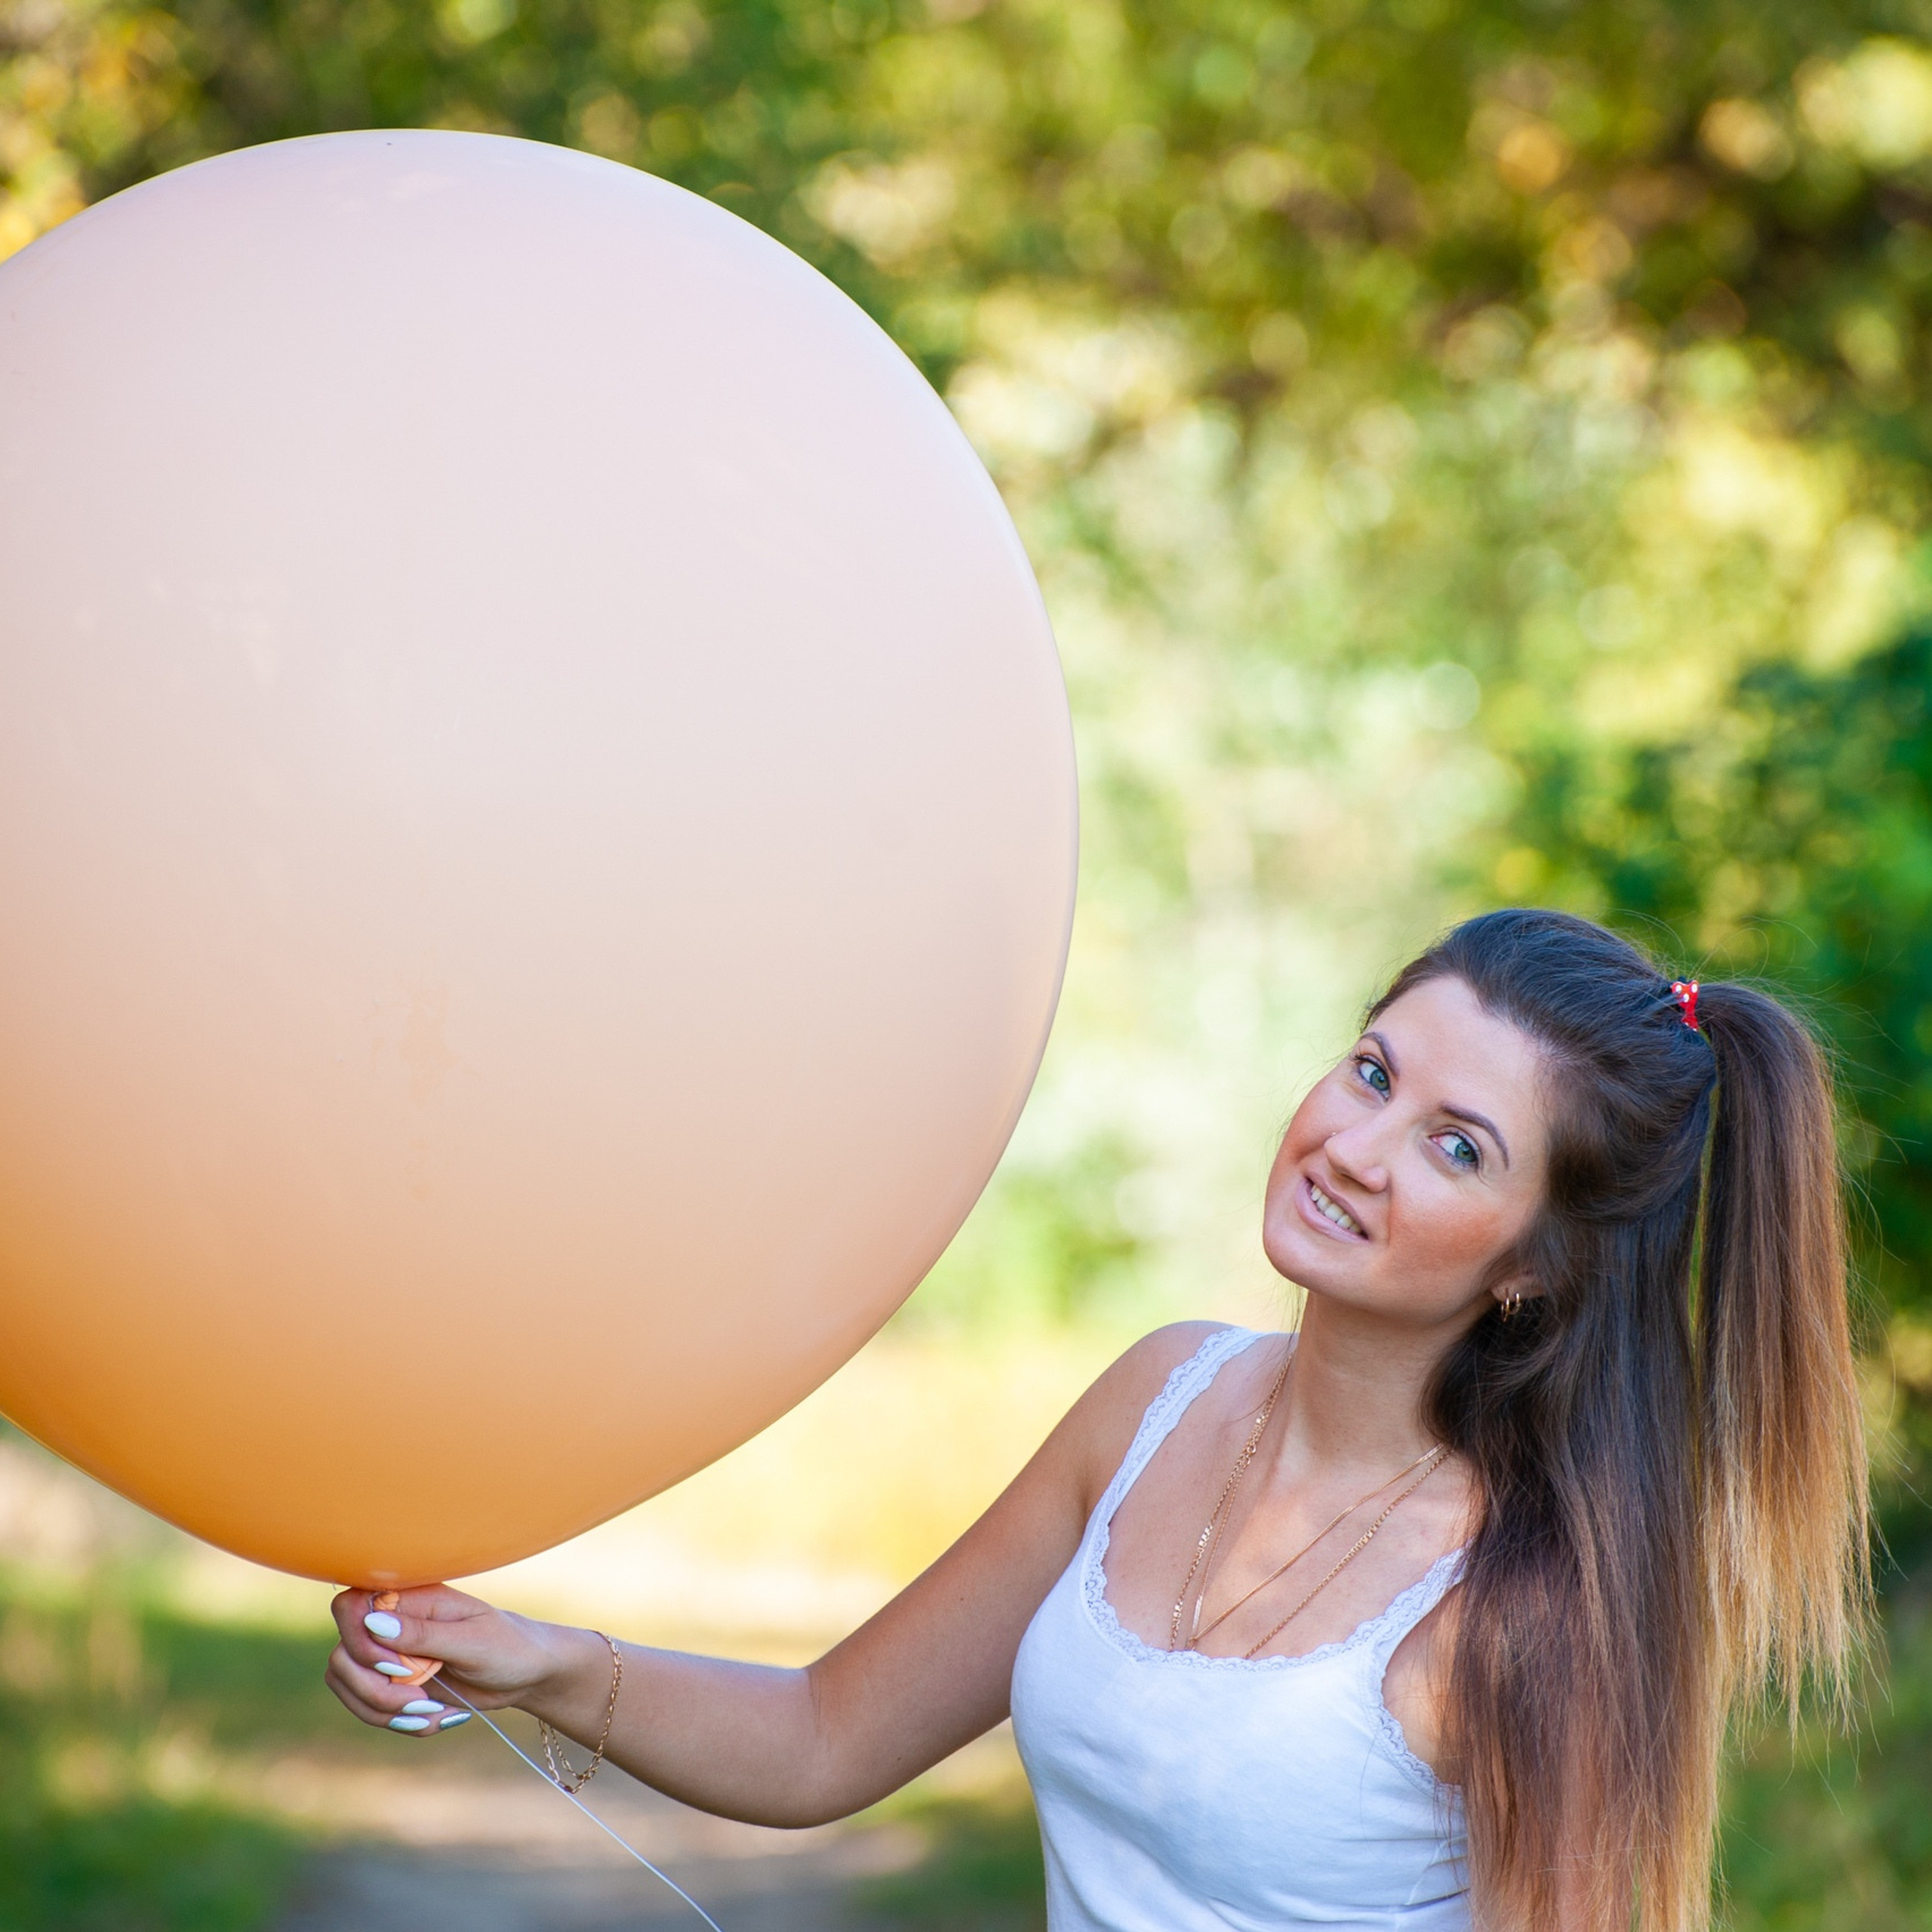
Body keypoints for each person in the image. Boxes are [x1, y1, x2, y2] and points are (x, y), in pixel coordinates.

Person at [325, 908, 1869, 1931]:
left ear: (1533, 1263)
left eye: (1453, 1144)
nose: (1354, 1143)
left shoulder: (1521, 1606)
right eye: (1369, 1067)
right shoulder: (1156, 1395)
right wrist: (537, 1663)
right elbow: (821, 1738)